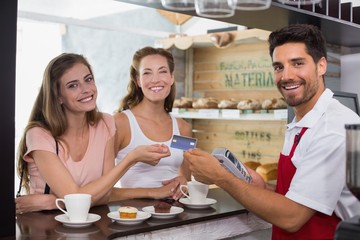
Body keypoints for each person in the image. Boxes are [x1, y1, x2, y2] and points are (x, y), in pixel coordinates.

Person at [184, 24, 360, 239]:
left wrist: (221, 178)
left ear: (321, 65)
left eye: (297, 63)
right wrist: (262, 187)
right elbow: (297, 197)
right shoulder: (302, 120)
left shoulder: (332, 129)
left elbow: (292, 217)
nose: (286, 76)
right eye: (278, 67)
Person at [15, 53, 170, 213]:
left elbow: (105, 194)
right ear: (58, 96)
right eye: (73, 85)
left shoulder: (105, 124)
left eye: (88, 79)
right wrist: (130, 159)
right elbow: (75, 199)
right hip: (45, 228)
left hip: (88, 225)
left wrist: (51, 202)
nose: (86, 89)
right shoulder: (39, 135)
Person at [110, 46, 192, 201]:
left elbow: (186, 179)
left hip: (176, 216)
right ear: (138, 80)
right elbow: (102, 190)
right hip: (134, 218)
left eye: (162, 71)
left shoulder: (183, 128)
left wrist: (184, 183)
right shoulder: (120, 124)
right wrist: (153, 192)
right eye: (147, 73)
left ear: (172, 77)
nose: (155, 79)